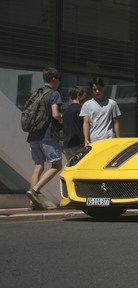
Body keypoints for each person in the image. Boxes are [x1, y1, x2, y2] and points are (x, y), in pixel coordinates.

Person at [25, 67, 63, 210]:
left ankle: (32, 201)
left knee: (38, 165)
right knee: (57, 165)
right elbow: (55, 114)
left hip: (33, 135)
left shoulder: (36, 93)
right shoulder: (54, 94)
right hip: (48, 136)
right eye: (58, 80)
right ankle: (35, 191)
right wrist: (60, 119)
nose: (59, 83)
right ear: (53, 79)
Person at [81, 77, 121, 144]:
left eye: (99, 89)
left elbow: (115, 122)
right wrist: (86, 139)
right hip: (94, 140)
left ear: (103, 88)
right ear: (91, 90)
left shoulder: (112, 103)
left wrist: (118, 139)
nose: (97, 91)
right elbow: (86, 123)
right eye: (95, 89)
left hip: (109, 140)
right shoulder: (87, 105)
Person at [62, 85, 87, 161]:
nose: (86, 98)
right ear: (78, 96)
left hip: (67, 145)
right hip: (78, 145)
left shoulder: (66, 111)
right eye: (85, 96)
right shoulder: (82, 110)